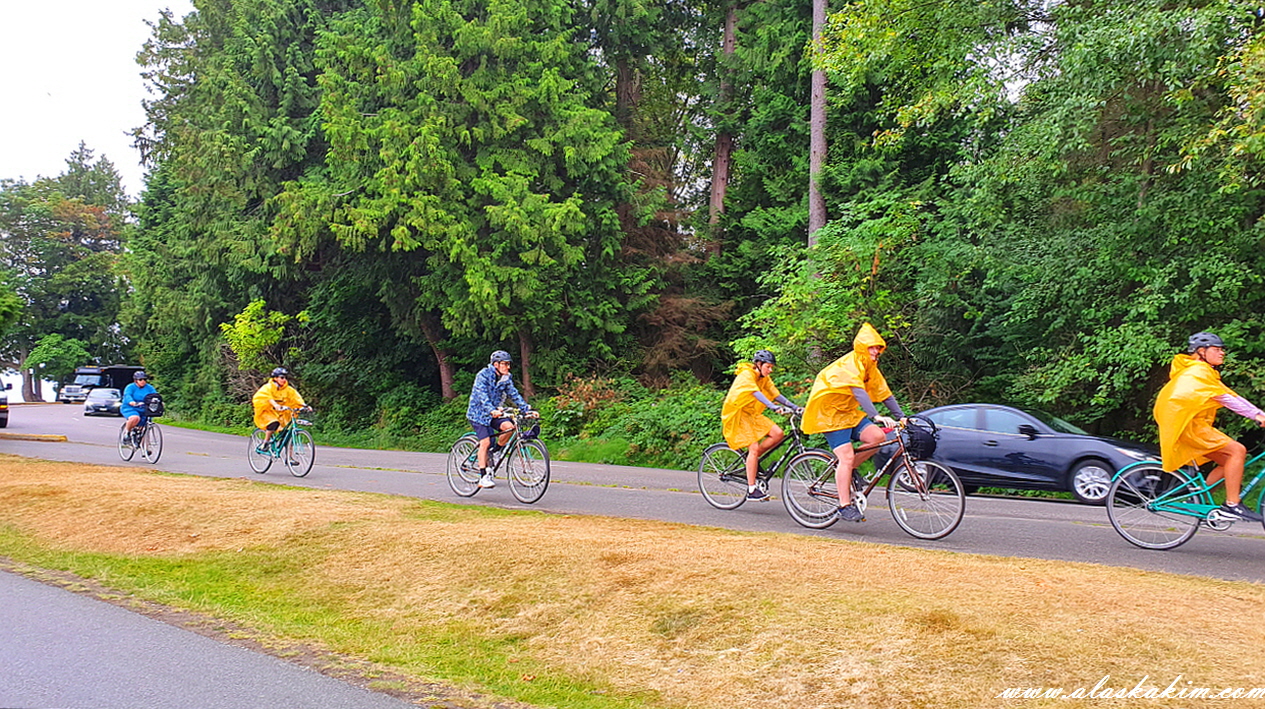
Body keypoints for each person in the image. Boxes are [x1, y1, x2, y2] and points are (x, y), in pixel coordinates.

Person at [1153, 332, 1265, 523]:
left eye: (1222, 349)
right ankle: (1232, 505)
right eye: (1217, 349)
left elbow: (1230, 395)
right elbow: (1226, 399)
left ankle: (1197, 500)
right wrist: (1256, 415)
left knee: (1228, 461)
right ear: (1201, 351)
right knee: (1237, 451)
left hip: (1188, 425)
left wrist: (1258, 413)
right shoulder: (1197, 372)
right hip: (1188, 426)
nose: (1222, 353)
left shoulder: (1201, 371)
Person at [801, 323, 906, 523]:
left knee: (877, 437)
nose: (876, 351)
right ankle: (844, 506)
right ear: (862, 347)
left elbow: (884, 392)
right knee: (846, 457)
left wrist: (901, 416)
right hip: (830, 415)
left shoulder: (870, 367)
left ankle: (848, 471)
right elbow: (859, 392)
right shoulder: (850, 363)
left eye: (878, 347)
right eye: (872, 347)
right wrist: (876, 416)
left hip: (848, 413)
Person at [721, 350, 803, 501]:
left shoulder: (764, 378)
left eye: (771, 367)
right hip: (737, 414)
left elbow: (775, 393)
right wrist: (773, 407)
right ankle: (752, 490)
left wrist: (795, 407)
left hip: (751, 414)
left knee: (778, 434)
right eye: (768, 367)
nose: (770, 370)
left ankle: (752, 461)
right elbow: (755, 393)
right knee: (753, 447)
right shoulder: (746, 375)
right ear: (759, 364)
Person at [466, 350, 537, 489]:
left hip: (495, 413)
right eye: (505, 364)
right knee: (485, 442)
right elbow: (482, 395)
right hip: (478, 414)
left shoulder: (506, 378)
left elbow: (514, 394)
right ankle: (483, 477)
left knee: (509, 427)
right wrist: (491, 410)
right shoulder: (483, 375)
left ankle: (496, 451)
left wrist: (526, 410)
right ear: (496, 364)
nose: (508, 367)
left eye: (508, 364)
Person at [252, 367, 307, 450]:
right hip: (268, 411)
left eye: (285, 377)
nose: (284, 380)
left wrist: (304, 406)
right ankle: (265, 442)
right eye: (282, 377)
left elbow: (296, 398)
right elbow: (265, 397)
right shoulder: (268, 387)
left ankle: (289, 456)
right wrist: (275, 404)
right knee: (273, 423)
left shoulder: (288, 389)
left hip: (282, 413)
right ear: (275, 378)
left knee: (288, 433)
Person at [121, 371, 157, 443]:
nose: (143, 381)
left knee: (145, 425)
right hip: (131, 408)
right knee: (135, 418)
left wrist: (158, 402)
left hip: (144, 408)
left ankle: (143, 445)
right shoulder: (130, 387)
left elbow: (155, 395)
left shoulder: (149, 388)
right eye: (140, 379)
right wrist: (131, 402)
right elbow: (127, 395)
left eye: (144, 379)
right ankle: (127, 433)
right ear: (136, 380)